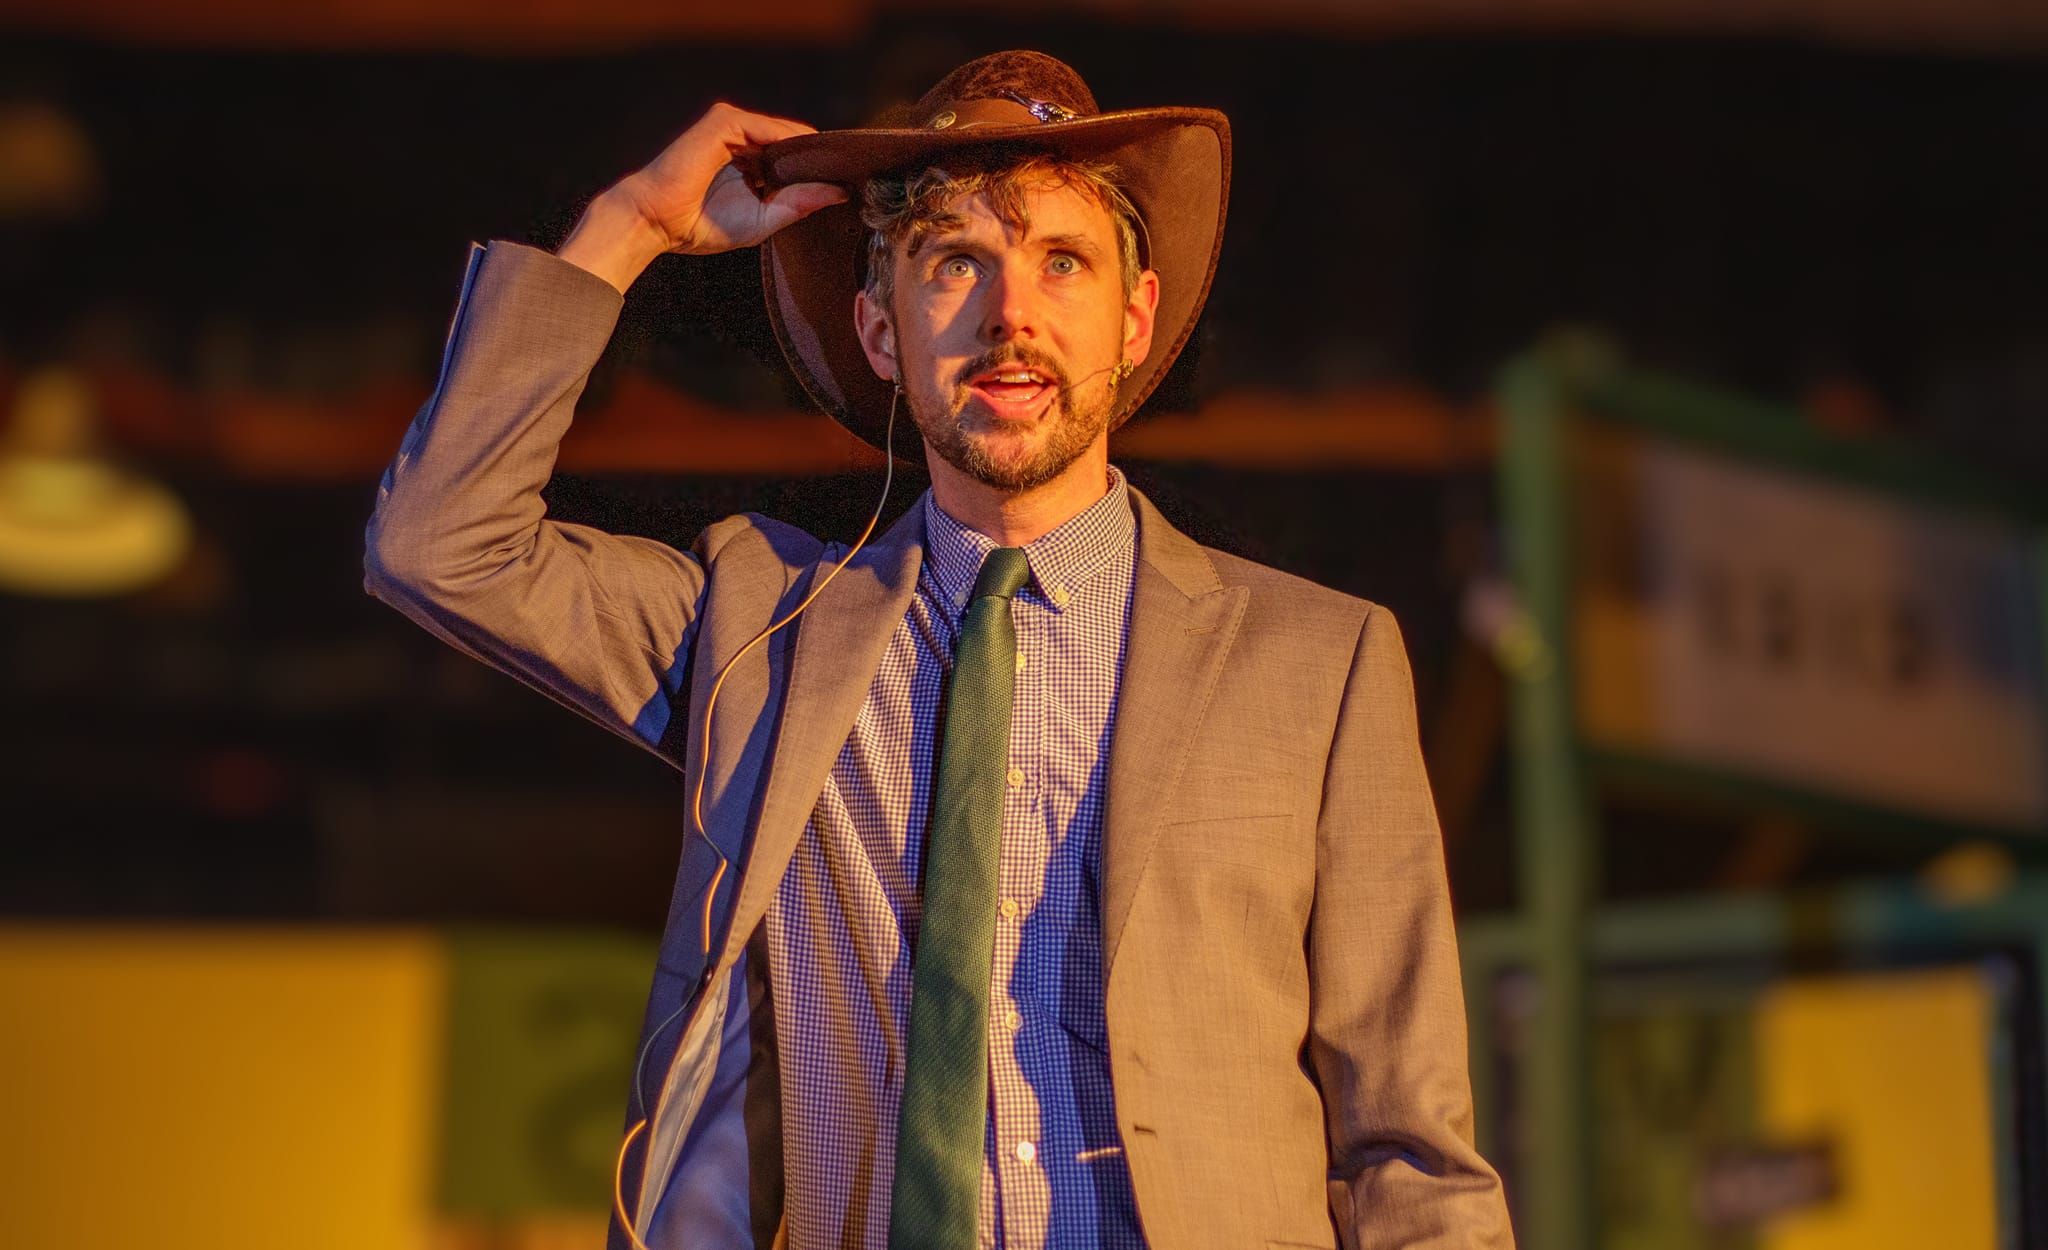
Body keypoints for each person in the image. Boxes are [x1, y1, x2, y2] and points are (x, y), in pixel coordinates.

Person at [365, 49, 1513, 1250]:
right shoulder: (761, 630)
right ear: (878, 330)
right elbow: (438, 544)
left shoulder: (1318, 661)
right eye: (955, 262)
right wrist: (629, 226)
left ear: (1132, 320)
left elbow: (1409, 1154)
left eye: (1061, 262)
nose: (1010, 313)